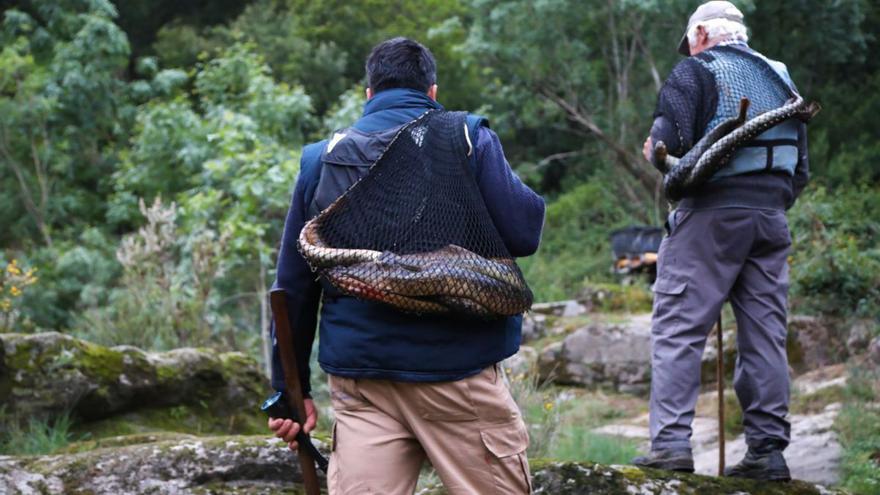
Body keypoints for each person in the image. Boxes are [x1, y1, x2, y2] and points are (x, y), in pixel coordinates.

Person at [267, 37, 545, 494]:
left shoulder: (321, 160)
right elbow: (523, 233)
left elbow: (292, 289)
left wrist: (289, 393)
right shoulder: (466, 137)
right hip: (459, 375)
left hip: (363, 382)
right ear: (432, 92)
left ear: (368, 94)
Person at [632, 1, 809, 482]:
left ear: (703, 34)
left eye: (690, 41)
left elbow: (668, 144)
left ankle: (670, 445)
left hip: (709, 218)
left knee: (678, 328)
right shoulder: (781, 78)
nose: (688, 49)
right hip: (771, 218)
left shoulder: (696, 71)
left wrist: (654, 152)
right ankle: (768, 453)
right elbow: (801, 170)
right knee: (766, 335)